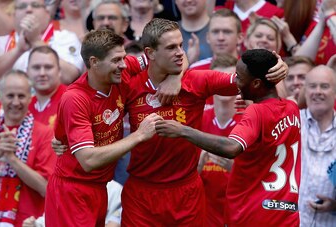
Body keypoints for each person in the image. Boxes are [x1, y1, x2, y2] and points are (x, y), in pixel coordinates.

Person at [121, 18, 288, 226]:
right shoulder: (129, 85)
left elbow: (247, 79)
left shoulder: (197, 81)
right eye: (171, 47)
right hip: (141, 197)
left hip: (187, 194)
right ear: (150, 53)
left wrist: (277, 64)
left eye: (181, 45)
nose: (180, 52)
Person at [156, 49, 301, 226]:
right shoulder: (292, 108)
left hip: (251, 215)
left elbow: (232, 148)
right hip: (286, 214)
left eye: (239, 77)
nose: (235, 82)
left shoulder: (256, 112)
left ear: (255, 83)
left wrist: (182, 131)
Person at [44, 29, 163, 227]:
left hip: (99, 189)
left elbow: (166, 55)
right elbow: (88, 160)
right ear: (94, 62)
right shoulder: (76, 99)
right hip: (72, 192)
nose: (124, 65)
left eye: (124, 58)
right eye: (116, 60)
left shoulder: (121, 73)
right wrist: (139, 136)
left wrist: (175, 79)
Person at [0, 70, 56, 227]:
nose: (16, 102)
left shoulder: (45, 133)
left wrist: (12, 158)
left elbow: (46, 188)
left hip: (26, 222)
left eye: (21, 96)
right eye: (10, 96)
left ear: (30, 98)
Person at [198, 54, 241, 227]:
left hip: (239, 215)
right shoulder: (196, 120)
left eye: (229, 79)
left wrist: (237, 170)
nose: (224, 85)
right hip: (202, 216)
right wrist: (196, 169)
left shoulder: (250, 122)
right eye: (218, 79)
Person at [0, 0, 84, 84]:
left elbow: (69, 77)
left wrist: (36, 41)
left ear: (46, 12)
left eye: (35, 5)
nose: (29, 9)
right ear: (14, 15)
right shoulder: (1, 41)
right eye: (22, 6)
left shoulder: (66, 37)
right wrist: (18, 50)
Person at [298, 65, 336, 227]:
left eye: (325, 86)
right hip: (293, 222)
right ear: (305, 92)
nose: (317, 91)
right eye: (312, 86)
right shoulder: (291, 123)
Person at [23, 180, 123, 227]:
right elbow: (48, 219)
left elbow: (114, 223)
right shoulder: (63, 185)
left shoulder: (115, 189)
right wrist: (34, 225)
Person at [27, 45, 66, 128]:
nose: (42, 73)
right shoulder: (23, 105)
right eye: (36, 67)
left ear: (59, 71)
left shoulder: (72, 100)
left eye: (48, 67)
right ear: (27, 71)